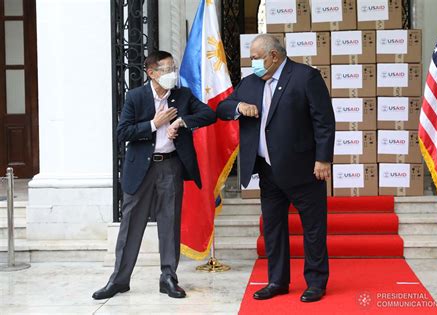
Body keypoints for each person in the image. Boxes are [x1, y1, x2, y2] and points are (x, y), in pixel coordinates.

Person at [217, 34, 335, 303]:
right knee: (273, 228)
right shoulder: (250, 83)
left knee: (313, 229)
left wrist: (323, 159)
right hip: (268, 172)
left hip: (304, 169)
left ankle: (316, 282)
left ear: (273, 56)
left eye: (256, 57)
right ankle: (277, 281)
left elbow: (324, 121)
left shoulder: (305, 77)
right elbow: (222, 108)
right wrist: (239, 106)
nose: (252, 62)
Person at [92, 51, 216, 300]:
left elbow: (209, 115)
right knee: (131, 225)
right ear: (152, 73)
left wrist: (180, 121)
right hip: (141, 169)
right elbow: (122, 132)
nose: (173, 74)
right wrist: (153, 123)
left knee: (170, 224)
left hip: (170, 167)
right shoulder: (136, 97)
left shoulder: (182, 96)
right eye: (167, 69)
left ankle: (168, 277)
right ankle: (119, 279)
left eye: (174, 68)